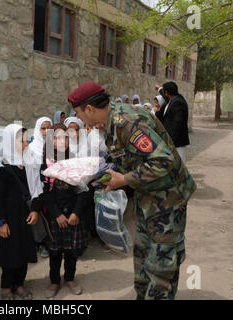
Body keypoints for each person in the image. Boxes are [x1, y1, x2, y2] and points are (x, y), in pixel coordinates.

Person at [68, 82, 196, 300]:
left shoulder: (127, 122)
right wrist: (112, 175)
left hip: (167, 200)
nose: (79, 119)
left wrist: (124, 180)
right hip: (149, 197)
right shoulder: (111, 123)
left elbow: (163, 162)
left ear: (89, 109)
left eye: (78, 113)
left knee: (162, 262)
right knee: (143, 253)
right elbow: (133, 158)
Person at [0, 124, 41, 299]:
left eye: (27, 139)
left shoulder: (29, 162)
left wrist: (35, 211)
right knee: (9, 254)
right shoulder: (2, 168)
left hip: (25, 216)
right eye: (21, 140)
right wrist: (2, 223)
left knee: (24, 251)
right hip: (9, 218)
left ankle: (19, 284)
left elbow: (36, 189)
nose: (26, 143)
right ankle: (6, 287)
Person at [41, 124, 89, 298]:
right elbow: (45, 193)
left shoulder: (76, 161)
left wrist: (75, 212)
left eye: (65, 137)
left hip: (73, 216)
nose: (62, 141)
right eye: (57, 137)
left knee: (71, 251)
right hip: (56, 217)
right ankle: (54, 281)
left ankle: (70, 278)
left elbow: (82, 190)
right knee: (55, 252)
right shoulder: (45, 163)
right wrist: (57, 215)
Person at [26, 117, 53, 258]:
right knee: (38, 215)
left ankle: (48, 242)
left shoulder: (55, 147)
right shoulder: (31, 148)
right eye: (43, 128)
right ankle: (41, 243)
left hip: (50, 187)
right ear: (37, 129)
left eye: (49, 128)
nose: (46, 131)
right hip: (36, 187)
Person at [155, 81, 190, 163]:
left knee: (178, 166)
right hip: (170, 141)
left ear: (167, 92)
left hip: (177, 143)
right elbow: (164, 95)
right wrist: (159, 88)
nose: (163, 94)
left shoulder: (177, 103)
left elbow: (177, 124)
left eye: (164, 91)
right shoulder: (171, 99)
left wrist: (170, 142)